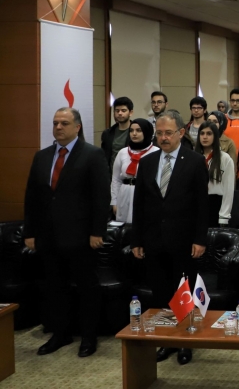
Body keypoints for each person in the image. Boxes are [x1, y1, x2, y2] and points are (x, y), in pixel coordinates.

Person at [24, 108, 110, 358]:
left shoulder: (92, 155)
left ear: (77, 127)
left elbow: (101, 197)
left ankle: (89, 337)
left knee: (86, 287)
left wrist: (97, 231)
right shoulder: (42, 157)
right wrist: (30, 232)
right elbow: (32, 198)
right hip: (48, 236)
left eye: (64, 123)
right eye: (55, 123)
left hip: (82, 236)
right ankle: (60, 334)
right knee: (55, 287)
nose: (59, 127)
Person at [131, 110, 209, 366]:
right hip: (154, 240)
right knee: (160, 294)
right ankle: (166, 340)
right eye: (160, 133)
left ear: (181, 133)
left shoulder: (195, 161)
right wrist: (137, 240)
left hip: (184, 241)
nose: (163, 138)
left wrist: (200, 239)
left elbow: (201, 205)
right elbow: (139, 203)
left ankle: (186, 342)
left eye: (168, 133)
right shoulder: (148, 162)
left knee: (183, 294)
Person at [111, 119, 158, 223]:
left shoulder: (156, 152)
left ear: (146, 132)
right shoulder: (123, 152)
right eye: (131, 130)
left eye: (139, 130)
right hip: (125, 193)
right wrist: (114, 201)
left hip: (145, 194)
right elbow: (116, 179)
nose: (134, 134)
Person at [195, 121, 235, 227]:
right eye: (202, 133)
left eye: (209, 134)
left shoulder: (225, 159)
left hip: (215, 205)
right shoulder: (193, 157)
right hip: (196, 206)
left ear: (215, 136)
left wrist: (224, 216)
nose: (205, 137)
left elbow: (228, 189)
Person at [101, 97, 133, 171]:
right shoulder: (107, 133)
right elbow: (104, 156)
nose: (120, 113)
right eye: (117, 111)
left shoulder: (136, 132)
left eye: (123, 110)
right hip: (111, 176)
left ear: (130, 113)